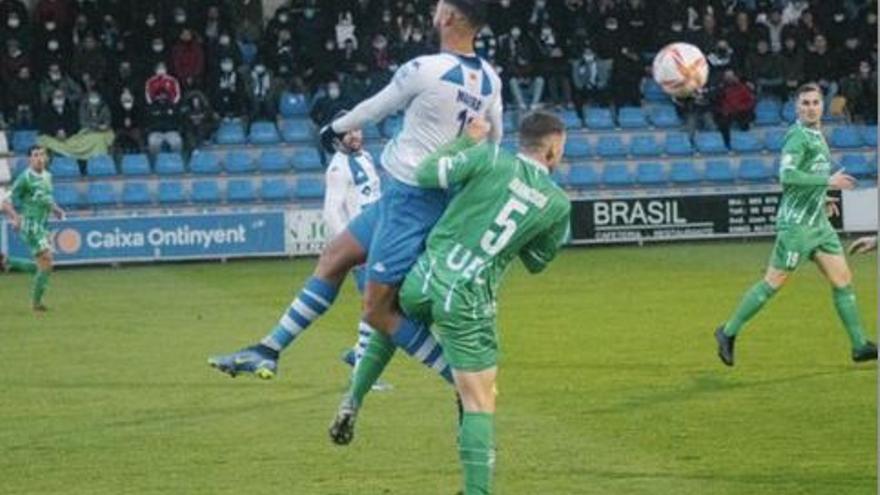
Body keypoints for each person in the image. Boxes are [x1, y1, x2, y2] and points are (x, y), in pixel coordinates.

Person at [208, 0, 502, 384]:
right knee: (335, 257)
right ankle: (268, 350)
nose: (435, 9)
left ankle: (462, 378)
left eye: (440, 5)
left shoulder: (425, 68)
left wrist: (333, 128)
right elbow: (494, 143)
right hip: (418, 197)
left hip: (411, 200)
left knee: (377, 310)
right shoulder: (491, 80)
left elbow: (375, 108)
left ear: (447, 17)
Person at [331, 111, 571, 495]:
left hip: (424, 278)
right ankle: (477, 492)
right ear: (554, 148)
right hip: (469, 299)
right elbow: (537, 262)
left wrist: (466, 140)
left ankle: (352, 399)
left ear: (521, 140)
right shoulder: (557, 204)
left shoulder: (489, 157)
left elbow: (427, 173)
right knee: (479, 399)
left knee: (390, 322)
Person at [714, 83, 878, 366]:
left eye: (815, 102)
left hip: (820, 224)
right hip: (797, 227)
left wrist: (822, 196)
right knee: (772, 284)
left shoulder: (818, 135)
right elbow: (787, 177)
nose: (811, 107)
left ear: (822, 106)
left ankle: (859, 345)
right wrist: (828, 182)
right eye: (805, 103)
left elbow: (808, 175)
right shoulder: (797, 137)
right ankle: (727, 332)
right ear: (796, 107)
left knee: (843, 281)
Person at [320, 112, 384, 380]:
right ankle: (361, 367)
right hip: (362, 247)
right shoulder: (338, 169)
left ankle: (357, 352)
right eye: (348, 132)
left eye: (357, 129)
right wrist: (351, 248)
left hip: (378, 240)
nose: (355, 135)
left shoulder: (366, 157)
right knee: (375, 305)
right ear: (338, 139)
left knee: (387, 303)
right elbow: (331, 212)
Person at [0, 146, 65, 311]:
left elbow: (46, 198)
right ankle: (36, 305)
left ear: (47, 158)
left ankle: (7, 262)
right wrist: (15, 218)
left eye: (42, 154)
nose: (39, 158)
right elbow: (5, 201)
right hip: (30, 225)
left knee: (44, 266)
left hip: (42, 225)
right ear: (30, 159)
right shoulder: (25, 178)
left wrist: (56, 209)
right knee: (48, 259)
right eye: (35, 155)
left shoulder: (47, 176)